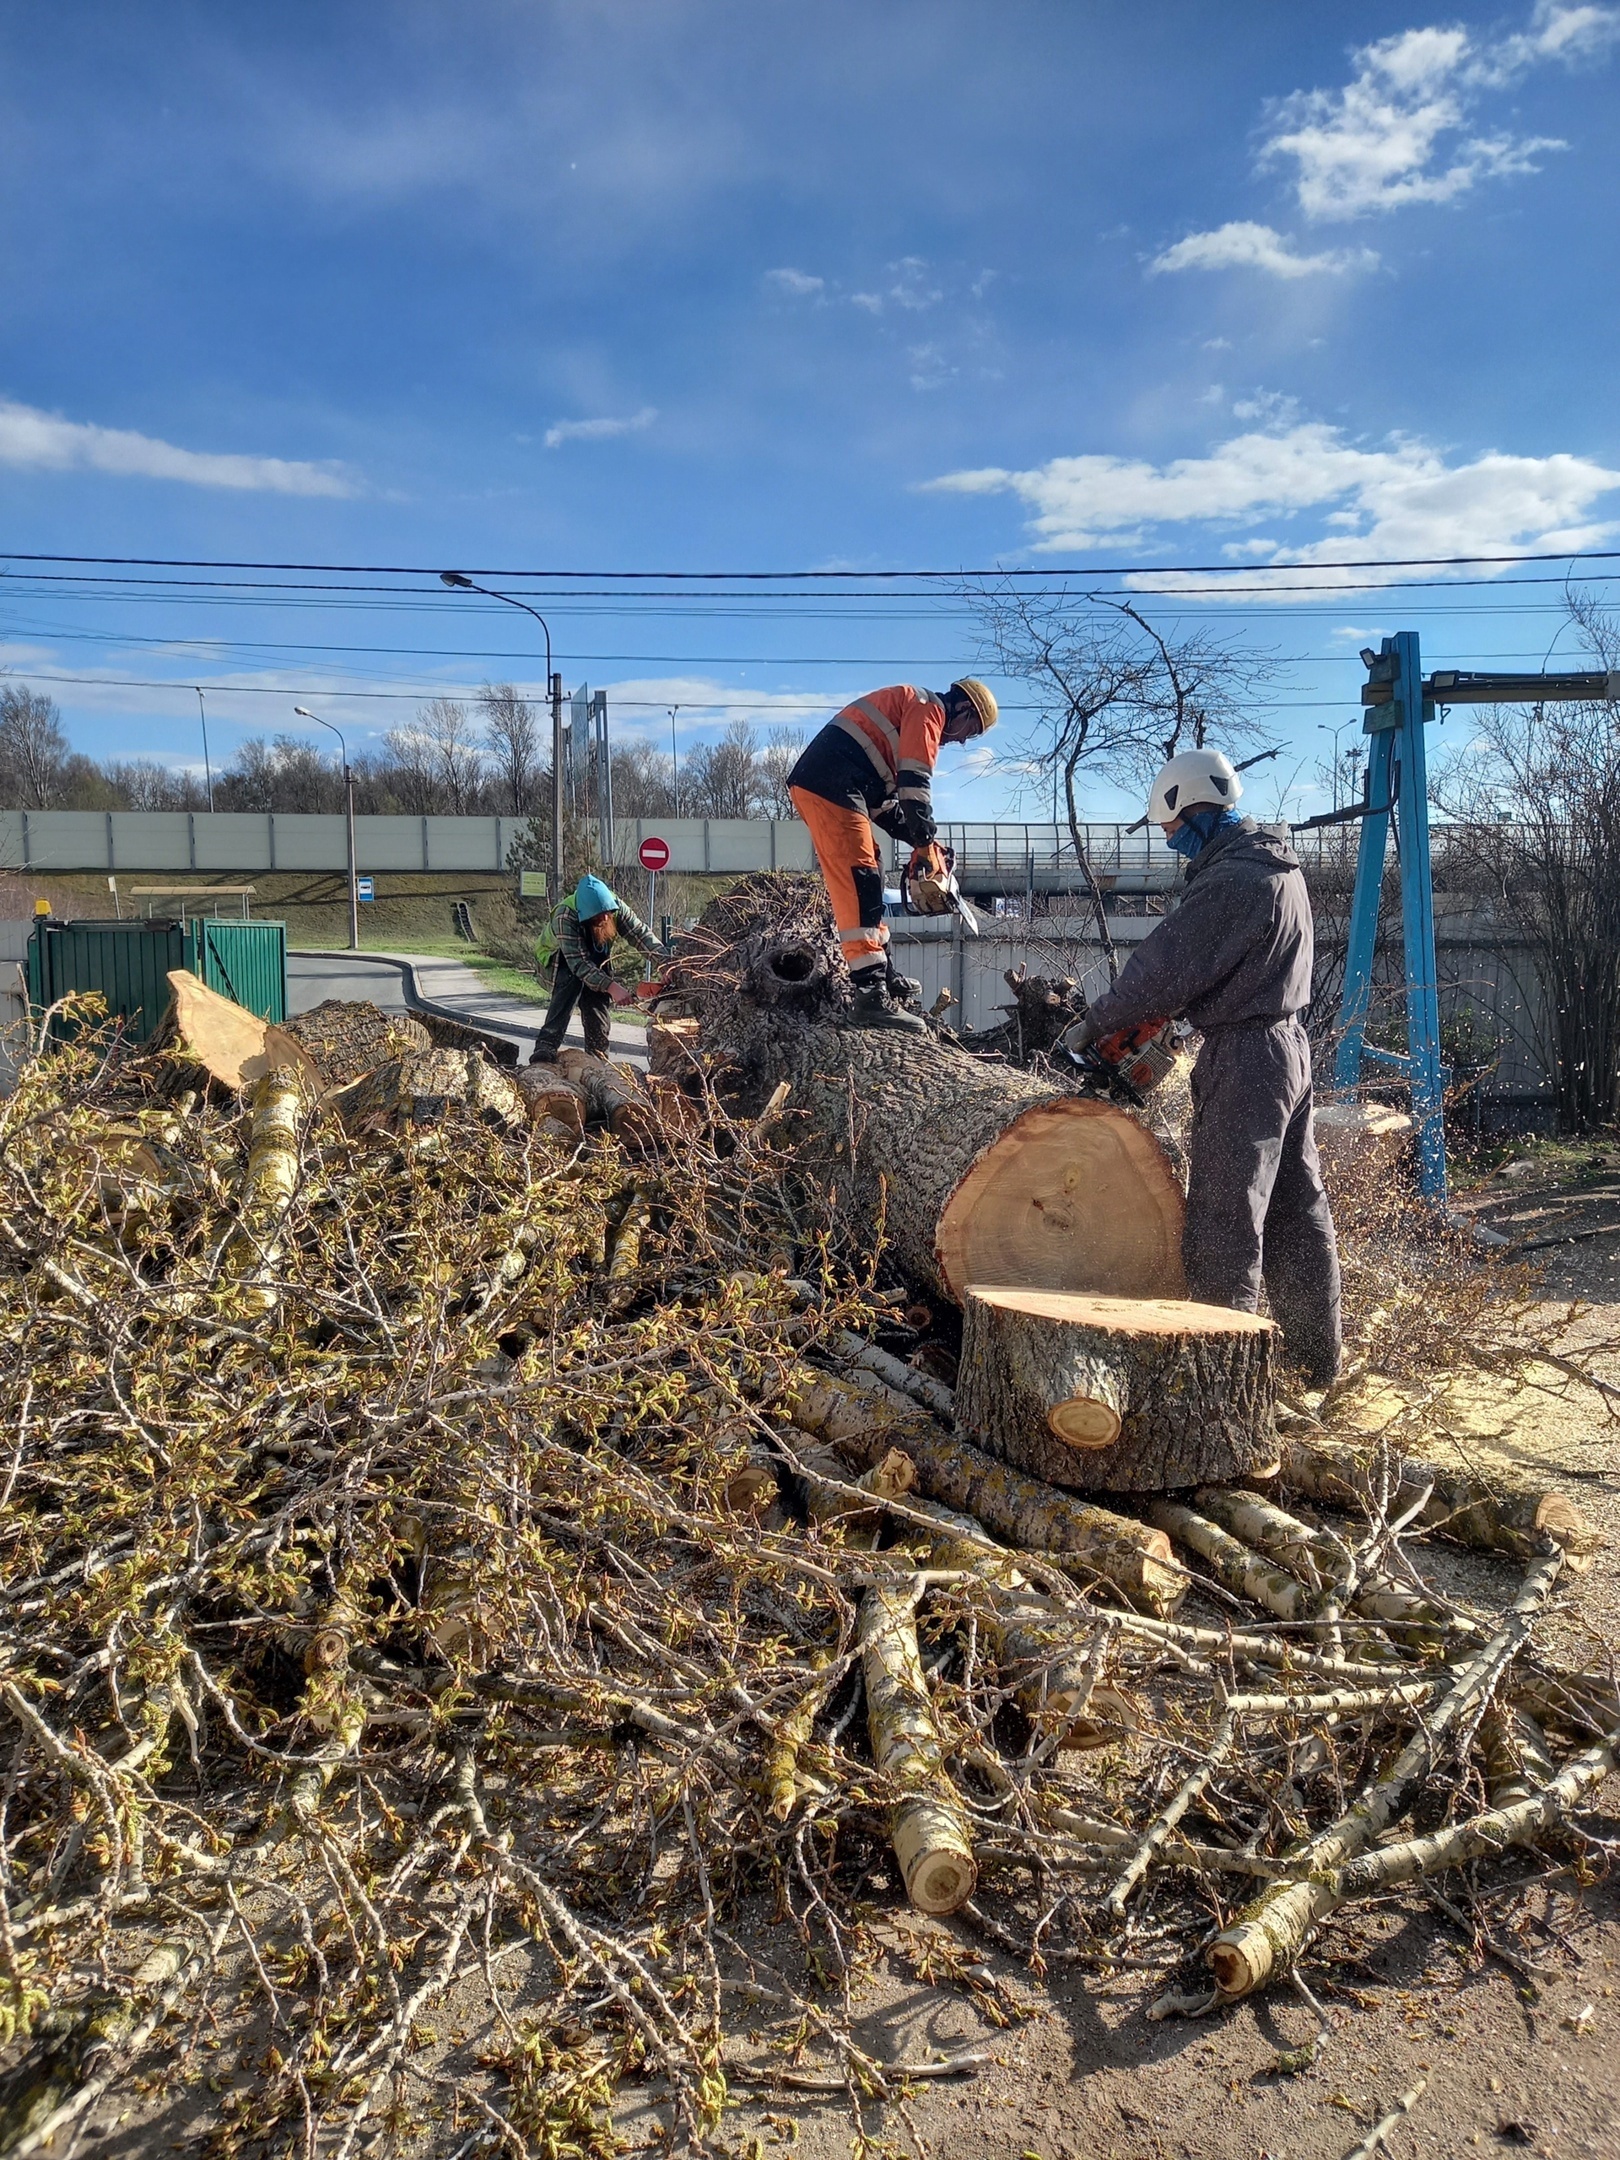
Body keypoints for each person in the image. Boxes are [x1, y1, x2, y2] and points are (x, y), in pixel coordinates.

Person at [1065, 748, 1342, 1387]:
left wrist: (1098, 1021)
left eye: (1170, 832)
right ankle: (1315, 1363)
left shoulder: (1232, 880)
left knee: (1223, 1221)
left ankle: (1219, 1379)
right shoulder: (1276, 864)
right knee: (1296, 1211)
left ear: (1188, 808)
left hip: (1245, 1056)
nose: (1171, 845)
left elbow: (1162, 969)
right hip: (1286, 1046)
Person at [786, 678, 998, 1031]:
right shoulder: (928, 709)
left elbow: (885, 805)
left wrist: (921, 843)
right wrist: (926, 841)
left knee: (873, 864)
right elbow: (915, 786)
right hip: (831, 783)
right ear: (962, 708)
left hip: (841, 783)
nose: (962, 739)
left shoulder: (908, 713)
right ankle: (870, 995)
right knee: (860, 876)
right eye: (970, 730)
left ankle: (882, 971)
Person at [529, 874, 665, 1065]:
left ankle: (597, 1055)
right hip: (560, 959)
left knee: (597, 1002)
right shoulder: (565, 916)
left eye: (608, 913)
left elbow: (640, 935)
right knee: (569, 987)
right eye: (598, 917)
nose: (606, 918)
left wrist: (666, 963)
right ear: (585, 914)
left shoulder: (614, 907)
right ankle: (545, 1047)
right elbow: (579, 964)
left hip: (595, 956)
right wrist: (613, 987)